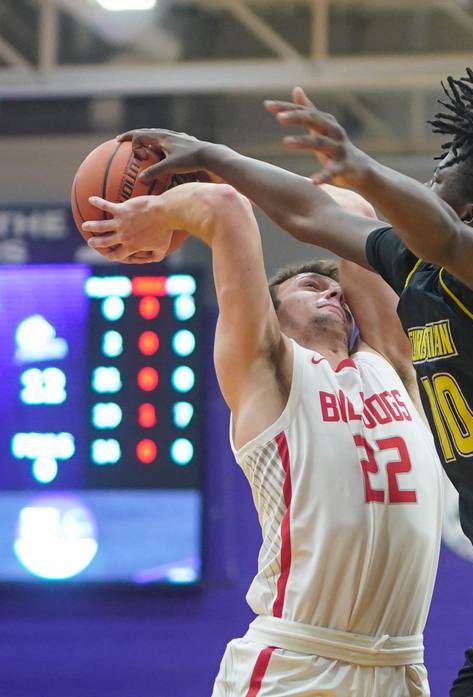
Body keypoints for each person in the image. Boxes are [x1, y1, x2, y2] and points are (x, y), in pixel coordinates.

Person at [103, 50, 473, 696]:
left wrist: (365, 171)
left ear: (472, 214)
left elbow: (443, 240)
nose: (432, 176)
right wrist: (214, 154)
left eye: (445, 174)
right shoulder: (412, 275)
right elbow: (313, 214)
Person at [80, 181, 443, 696]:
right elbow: (226, 205)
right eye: (311, 287)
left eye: (334, 285)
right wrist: (157, 212)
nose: (333, 290)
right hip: (297, 664)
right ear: (271, 316)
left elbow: (353, 210)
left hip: (399, 666)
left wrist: (308, 189)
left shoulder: (392, 366)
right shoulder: (270, 373)